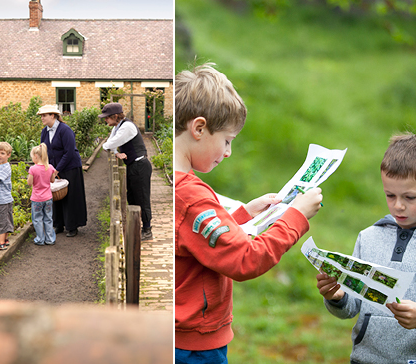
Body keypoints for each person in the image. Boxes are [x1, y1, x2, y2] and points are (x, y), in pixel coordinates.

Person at [174, 62, 323, 363]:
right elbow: (246, 259)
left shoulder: (172, 184)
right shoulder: (191, 196)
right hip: (195, 345)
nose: (228, 152)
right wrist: (296, 217)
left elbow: (193, 238)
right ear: (199, 128)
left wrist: (242, 215)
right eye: (227, 141)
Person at [316, 132, 416, 363]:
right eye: (390, 195)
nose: (398, 206)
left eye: (410, 197)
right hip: (365, 358)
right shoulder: (369, 237)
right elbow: (351, 308)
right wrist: (337, 296)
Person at [99, 102, 153, 240]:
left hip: (140, 165)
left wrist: (111, 148)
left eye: (107, 117)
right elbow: (111, 144)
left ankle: (147, 229)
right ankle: (135, 226)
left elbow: (109, 144)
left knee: (142, 197)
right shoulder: (117, 127)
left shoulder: (127, 127)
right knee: (132, 197)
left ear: (116, 116)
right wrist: (116, 153)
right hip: (132, 165)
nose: (105, 120)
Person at [38, 104, 87, 237]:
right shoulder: (45, 131)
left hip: (70, 167)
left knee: (71, 196)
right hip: (54, 168)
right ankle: (58, 224)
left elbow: (69, 152)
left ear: (52, 115)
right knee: (55, 196)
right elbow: (44, 150)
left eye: (44, 115)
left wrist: (57, 170)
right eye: (41, 116)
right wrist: (46, 168)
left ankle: (72, 226)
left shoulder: (65, 130)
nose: (42, 118)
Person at [27, 143, 57, 246]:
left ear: (35, 156)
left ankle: (40, 239)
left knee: (37, 219)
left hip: (37, 199)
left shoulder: (33, 169)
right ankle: (50, 239)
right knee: (48, 218)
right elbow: (52, 181)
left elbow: (29, 183)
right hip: (48, 197)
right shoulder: (50, 167)